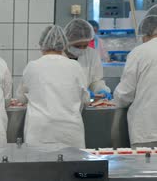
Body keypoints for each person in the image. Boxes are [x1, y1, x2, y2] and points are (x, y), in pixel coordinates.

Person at [16, 26, 89, 148]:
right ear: (64, 45)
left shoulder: (33, 66)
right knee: (71, 166)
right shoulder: (75, 66)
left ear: (42, 44)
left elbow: (21, 98)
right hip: (70, 131)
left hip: (40, 132)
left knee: (40, 166)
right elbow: (85, 99)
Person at [113, 15, 157, 148]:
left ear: (145, 34)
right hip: (148, 129)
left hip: (148, 130)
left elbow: (125, 93)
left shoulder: (140, 52)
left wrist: (116, 98)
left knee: (147, 168)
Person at [64, 19, 112, 100]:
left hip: (82, 106)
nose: (81, 49)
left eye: (85, 46)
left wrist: (101, 90)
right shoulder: (59, 56)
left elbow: (96, 81)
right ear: (68, 41)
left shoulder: (91, 54)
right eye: (77, 46)